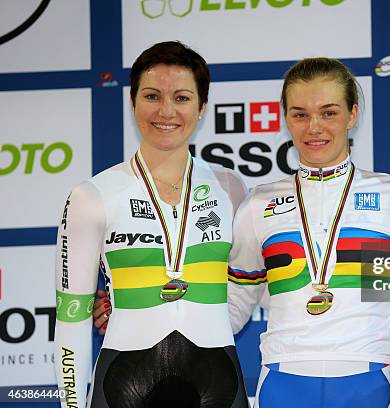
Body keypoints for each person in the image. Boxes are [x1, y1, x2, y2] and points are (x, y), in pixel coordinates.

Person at [54, 41, 249, 408]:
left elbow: (253, 280)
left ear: (202, 107)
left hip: (219, 379)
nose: (166, 111)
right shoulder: (91, 196)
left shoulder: (231, 189)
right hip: (124, 382)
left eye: (181, 98)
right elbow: (71, 321)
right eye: (152, 96)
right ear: (132, 102)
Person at [227, 57, 390, 407]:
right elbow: (236, 300)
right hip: (282, 379)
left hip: (368, 376)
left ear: (352, 114)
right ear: (286, 119)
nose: (313, 127)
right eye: (300, 114)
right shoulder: (258, 203)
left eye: (328, 112)